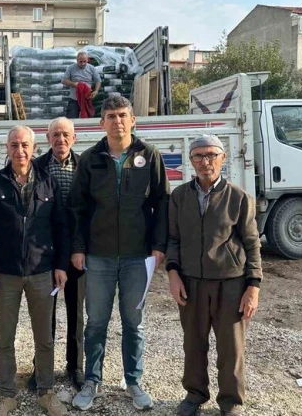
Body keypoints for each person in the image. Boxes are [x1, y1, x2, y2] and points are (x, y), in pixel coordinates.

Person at [69, 96, 169, 412]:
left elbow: (162, 202)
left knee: (133, 323)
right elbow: (77, 208)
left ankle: (134, 382)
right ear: (102, 123)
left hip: (137, 257)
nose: (117, 121)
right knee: (96, 322)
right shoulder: (90, 159)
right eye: (110, 116)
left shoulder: (149, 156)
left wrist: (158, 246)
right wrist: (78, 247)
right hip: (97, 257)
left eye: (122, 115)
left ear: (133, 119)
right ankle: (91, 381)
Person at [165, 135, 262, 416]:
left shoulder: (240, 198)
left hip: (231, 283)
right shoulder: (179, 197)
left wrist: (253, 286)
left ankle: (231, 401)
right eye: (198, 156)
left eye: (211, 155)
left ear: (222, 158)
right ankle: (194, 394)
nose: (205, 161)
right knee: (193, 344)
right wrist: (173, 274)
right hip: (191, 282)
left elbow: (252, 243)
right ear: (191, 161)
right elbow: (173, 239)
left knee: (231, 348)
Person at [0, 126, 70, 416]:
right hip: (5, 274)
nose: (20, 151)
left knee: (44, 338)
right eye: (15, 145)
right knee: (4, 338)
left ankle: (46, 391)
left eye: (25, 145)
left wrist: (61, 266)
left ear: (34, 148)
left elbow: (61, 228)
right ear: (7, 147)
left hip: (42, 272)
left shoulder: (48, 183)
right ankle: (7, 395)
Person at [27, 117, 85, 391]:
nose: (60, 140)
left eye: (65, 135)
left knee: (76, 313)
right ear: (47, 139)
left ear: (74, 138)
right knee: (43, 314)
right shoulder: (35, 167)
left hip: (76, 251)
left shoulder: (85, 167)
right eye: (55, 135)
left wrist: (81, 247)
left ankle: (75, 367)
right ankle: (41, 368)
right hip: (45, 252)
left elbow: (90, 211)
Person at [62, 52, 101, 119]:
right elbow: (64, 80)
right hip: (74, 98)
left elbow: (98, 80)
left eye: (84, 61)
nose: (83, 64)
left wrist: (96, 91)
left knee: (88, 118)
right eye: (80, 62)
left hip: (87, 98)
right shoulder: (71, 68)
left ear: (87, 60)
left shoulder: (92, 68)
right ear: (77, 60)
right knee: (72, 119)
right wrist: (75, 84)